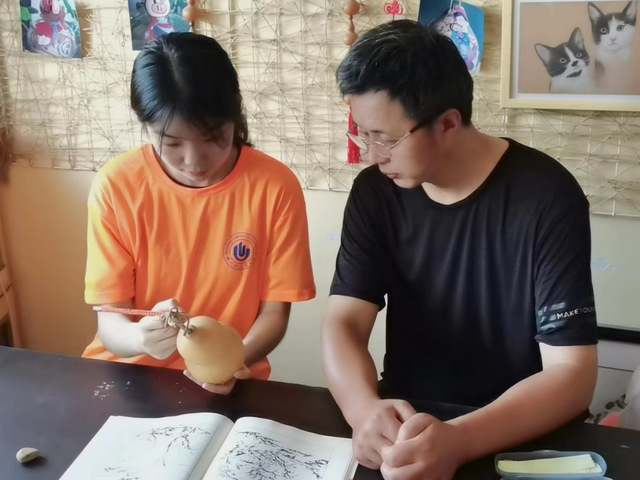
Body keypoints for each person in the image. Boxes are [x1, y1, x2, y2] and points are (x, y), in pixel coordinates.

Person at [322, 20, 598, 479]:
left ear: (448, 122)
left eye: (385, 139)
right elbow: (344, 322)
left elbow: (572, 374)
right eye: (363, 135)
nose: (372, 154)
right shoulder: (376, 192)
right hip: (406, 424)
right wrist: (362, 410)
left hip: (516, 432)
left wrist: (460, 440)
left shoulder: (548, 196)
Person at [83, 32, 315, 395]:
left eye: (211, 138)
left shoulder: (275, 187)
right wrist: (139, 338)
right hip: (128, 378)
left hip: (230, 378)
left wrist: (229, 363)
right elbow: (110, 319)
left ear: (235, 115)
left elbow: (274, 314)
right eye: (171, 142)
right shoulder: (116, 186)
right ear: (145, 125)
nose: (193, 161)